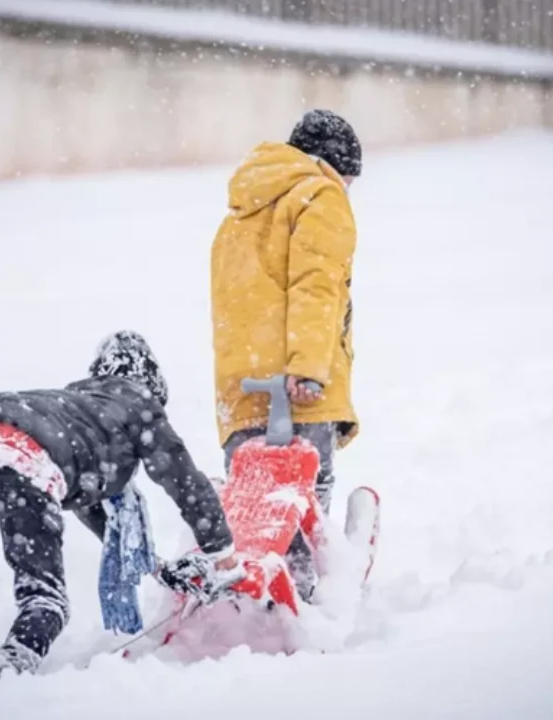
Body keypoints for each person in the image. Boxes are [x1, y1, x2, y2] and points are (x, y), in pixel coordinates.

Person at [0, 330, 242, 700]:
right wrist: (223, 554)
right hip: (21, 457)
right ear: (152, 383)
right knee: (46, 600)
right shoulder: (138, 404)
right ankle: (4, 680)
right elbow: (185, 482)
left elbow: (98, 518)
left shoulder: (77, 410)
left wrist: (158, 568)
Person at [209, 108, 362, 601]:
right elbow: (316, 288)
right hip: (298, 383)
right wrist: (308, 369)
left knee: (255, 506)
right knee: (304, 495)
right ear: (335, 166)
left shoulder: (240, 211)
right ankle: (304, 591)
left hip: (240, 386)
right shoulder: (321, 196)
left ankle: (253, 590)